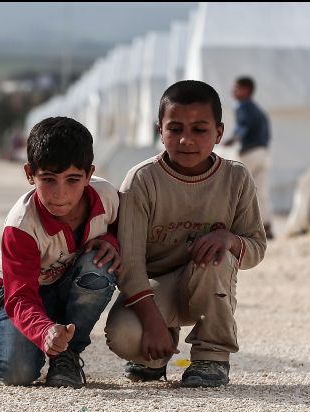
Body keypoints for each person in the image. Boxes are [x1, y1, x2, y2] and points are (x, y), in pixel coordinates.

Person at [105, 80, 267, 388]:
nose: (186, 139)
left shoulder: (235, 177)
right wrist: (152, 322)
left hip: (210, 286)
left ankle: (211, 356)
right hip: (156, 290)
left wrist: (229, 240)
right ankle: (154, 357)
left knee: (217, 256)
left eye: (199, 129)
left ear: (219, 133)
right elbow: (130, 262)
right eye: (175, 128)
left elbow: (256, 247)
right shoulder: (142, 180)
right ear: (160, 130)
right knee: (123, 334)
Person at [0, 117, 122, 389]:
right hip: (20, 292)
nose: (60, 193)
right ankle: (1, 353)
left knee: (101, 266)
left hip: (69, 282)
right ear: (29, 174)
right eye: (48, 179)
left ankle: (67, 355)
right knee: (18, 373)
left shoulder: (107, 196)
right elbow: (20, 296)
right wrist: (44, 330)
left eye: (73, 180)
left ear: (89, 175)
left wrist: (111, 241)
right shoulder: (21, 225)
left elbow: (124, 229)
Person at [223, 76, 273, 239]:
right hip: (263, 153)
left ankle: (239, 227)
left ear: (246, 90)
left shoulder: (242, 106)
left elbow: (243, 127)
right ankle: (267, 227)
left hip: (250, 153)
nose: (233, 91)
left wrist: (232, 140)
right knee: (261, 191)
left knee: (239, 189)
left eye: (236, 87)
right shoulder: (259, 109)